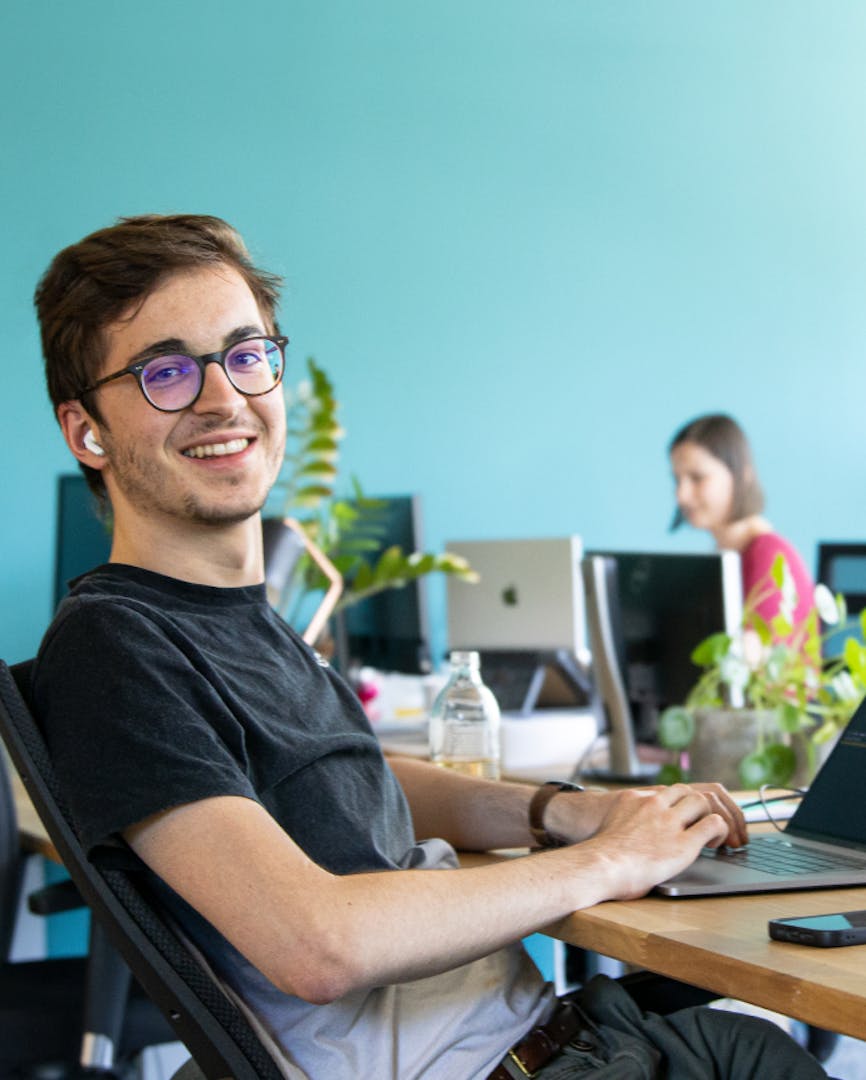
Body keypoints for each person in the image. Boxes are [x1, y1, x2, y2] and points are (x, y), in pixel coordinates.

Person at [30, 215, 829, 1079]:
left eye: (246, 353)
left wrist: (558, 812)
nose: (223, 396)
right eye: (168, 372)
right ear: (87, 432)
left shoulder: (243, 621)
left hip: (579, 1036)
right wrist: (606, 861)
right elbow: (316, 944)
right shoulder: (114, 647)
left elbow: (351, 775)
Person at [669, 413, 815, 631]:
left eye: (697, 478)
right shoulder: (726, 556)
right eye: (677, 480)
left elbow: (754, 661)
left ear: (742, 476)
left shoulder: (769, 556)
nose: (681, 495)